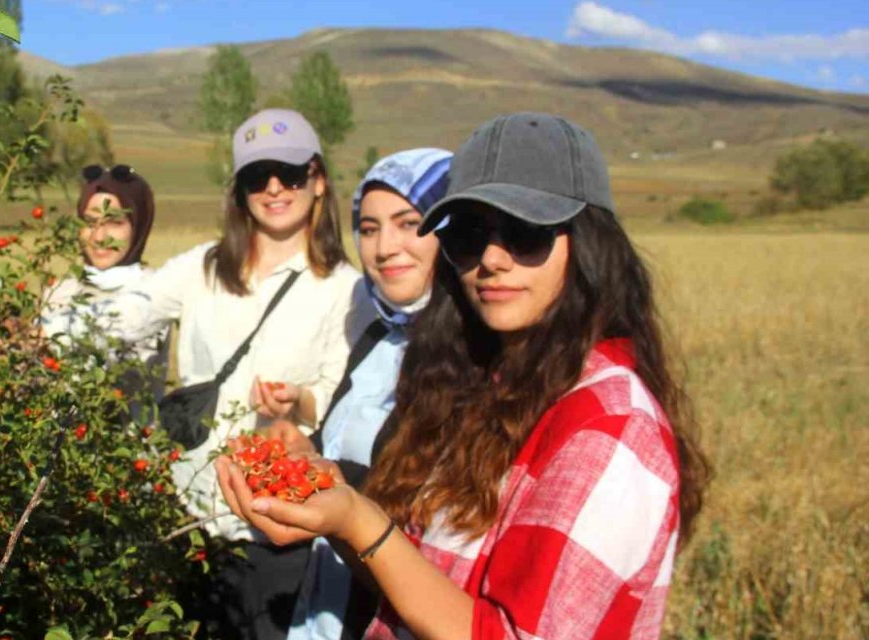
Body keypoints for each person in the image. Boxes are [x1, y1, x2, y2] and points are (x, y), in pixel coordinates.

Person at [216, 113, 711, 640]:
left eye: (526, 232)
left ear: (589, 242)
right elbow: (418, 592)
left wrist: (357, 520)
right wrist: (333, 501)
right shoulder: (486, 386)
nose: (492, 260)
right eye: (470, 236)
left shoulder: (607, 425)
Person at [96, 109, 369, 639]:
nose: (272, 188)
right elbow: (122, 319)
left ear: (317, 180)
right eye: (254, 175)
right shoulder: (202, 267)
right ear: (239, 189)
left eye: (288, 173)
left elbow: (344, 398)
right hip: (183, 519)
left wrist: (299, 403)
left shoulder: (345, 290)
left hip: (275, 535)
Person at [281, 148, 452, 640]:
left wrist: (333, 486)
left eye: (410, 223)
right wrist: (304, 451)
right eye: (371, 228)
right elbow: (351, 446)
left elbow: (424, 516)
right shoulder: (377, 338)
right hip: (327, 601)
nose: (383, 248)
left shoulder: (471, 361)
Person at [39, 164, 166, 405]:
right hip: (59, 440)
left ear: (139, 224)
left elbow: (115, 335)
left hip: (131, 441)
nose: (98, 236)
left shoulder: (156, 289)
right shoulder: (59, 292)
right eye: (90, 221)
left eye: (114, 222)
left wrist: (46, 336)